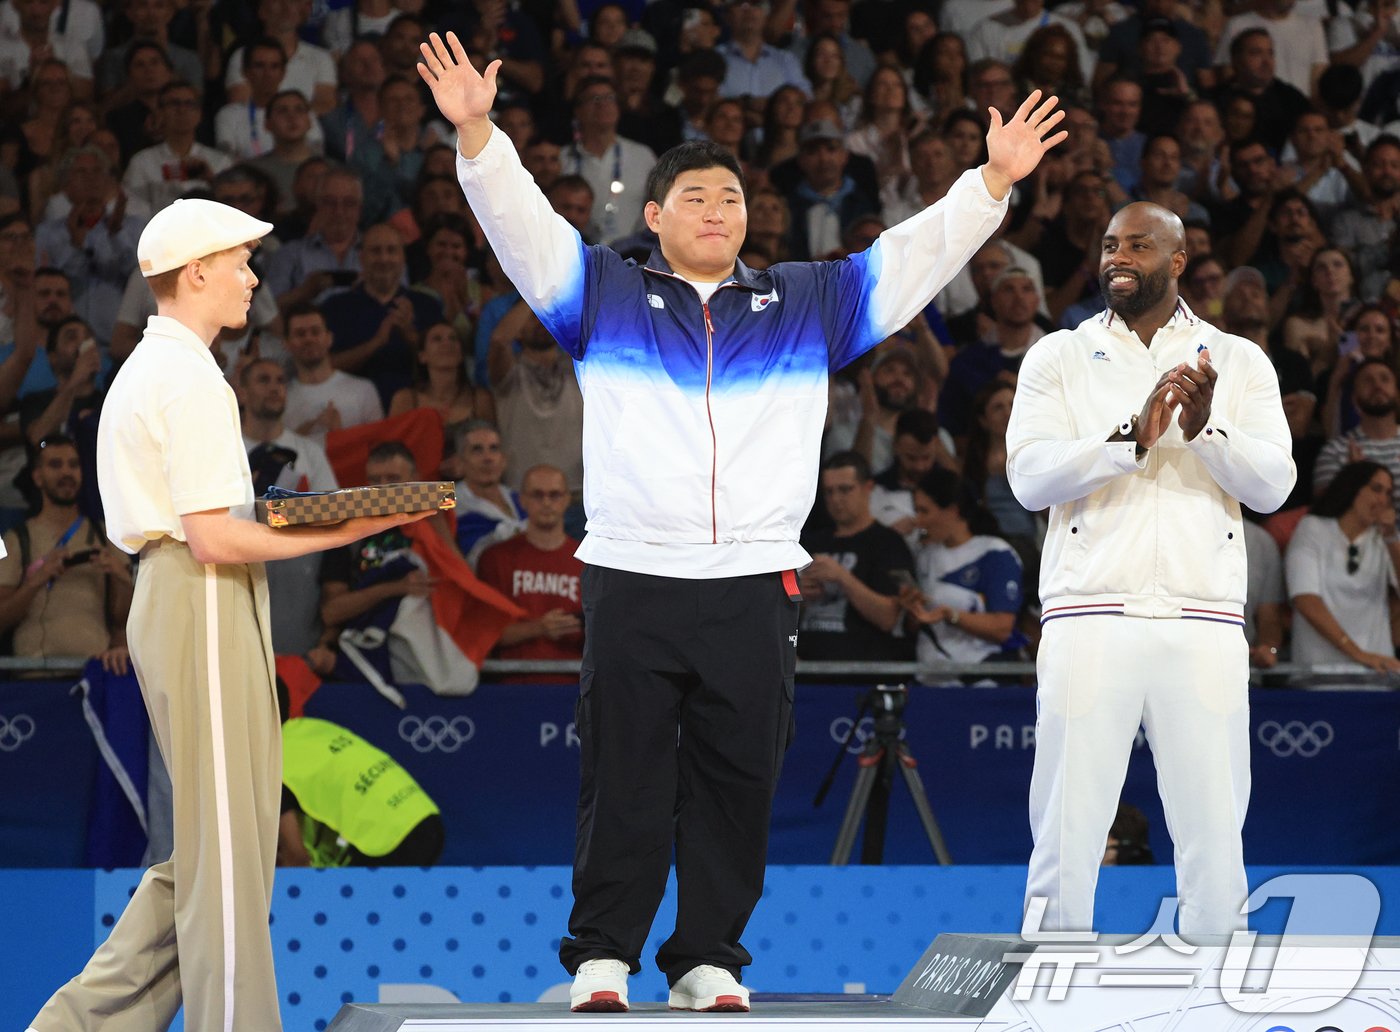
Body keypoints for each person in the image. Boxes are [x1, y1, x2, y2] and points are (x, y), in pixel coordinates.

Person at [418, 28, 1065, 1012]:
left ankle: (709, 957)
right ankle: (601, 959)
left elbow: (910, 259)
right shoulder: (599, 291)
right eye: (695, 197)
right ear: (653, 214)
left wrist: (987, 181)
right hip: (633, 573)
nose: (717, 210)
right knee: (623, 777)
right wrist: (478, 136)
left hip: (756, 581)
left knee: (734, 779)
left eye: (730, 198)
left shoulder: (804, 301)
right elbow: (522, 228)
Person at [26, 198, 431, 1032]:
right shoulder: (186, 376)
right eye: (241, 261)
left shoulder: (163, 366)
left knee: (214, 858)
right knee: (226, 865)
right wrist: (359, 520)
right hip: (199, 598)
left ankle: (72, 1027)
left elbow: (225, 523)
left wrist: (341, 512)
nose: (254, 277)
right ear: (196, 272)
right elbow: (214, 539)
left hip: (187, 596)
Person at [1006, 200, 1295, 935]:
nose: (1117, 257)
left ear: (1178, 260)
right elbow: (1029, 479)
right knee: (1068, 820)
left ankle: (1216, 982)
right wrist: (1129, 439)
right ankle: (1049, 978)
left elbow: (1275, 485)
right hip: (1088, 612)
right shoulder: (1058, 355)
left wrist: (1207, 433)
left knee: (1213, 825)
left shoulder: (1236, 358)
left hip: (1202, 617)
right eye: (1108, 244)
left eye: (1137, 245)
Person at [0, 434, 131, 671]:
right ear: (37, 477)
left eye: (73, 465)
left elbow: (122, 621)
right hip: (31, 678)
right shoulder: (13, 539)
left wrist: (122, 579)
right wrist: (35, 581)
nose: (66, 473)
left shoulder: (107, 535)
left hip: (92, 676)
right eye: (55, 465)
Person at [898, 466, 1025, 685]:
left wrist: (951, 615)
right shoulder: (924, 556)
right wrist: (913, 612)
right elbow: (920, 626)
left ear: (953, 511)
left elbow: (1003, 628)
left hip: (981, 681)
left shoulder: (994, 553)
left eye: (924, 511)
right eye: (916, 511)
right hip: (930, 681)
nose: (918, 521)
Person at [1286, 460, 1400, 681]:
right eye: (1376, 489)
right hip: (1318, 671)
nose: (1382, 500)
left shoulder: (1386, 540)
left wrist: (1391, 537)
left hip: (1377, 673)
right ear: (1352, 488)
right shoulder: (1312, 528)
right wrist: (1358, 654)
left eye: (1388, 493)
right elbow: (1306, 599)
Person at [797, 450, 915, 662]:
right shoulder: (811, 542)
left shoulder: (888, 543)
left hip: (860, 674)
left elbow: (889, 618)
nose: (836, 499)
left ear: (868, 488)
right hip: (807, 670)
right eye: (829, 492)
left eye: (845, 490)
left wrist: (843, 577)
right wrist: (800, 595)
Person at [476, 464, 584, 676]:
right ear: (522, 500)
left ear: (567, 500)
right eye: (537, 495)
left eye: (554, 495)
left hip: (573, 689)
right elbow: (482, 633)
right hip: (511, 687)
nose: (546, 503)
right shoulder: (495, 559)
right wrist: (539, 628)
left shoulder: (587, 561)